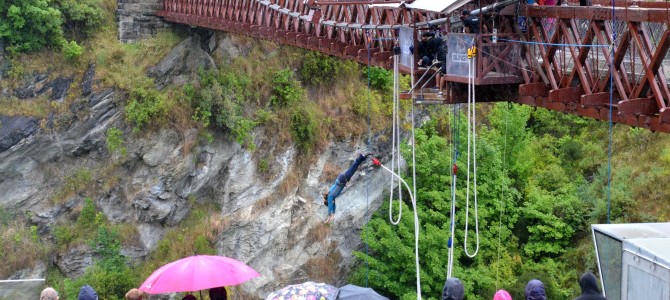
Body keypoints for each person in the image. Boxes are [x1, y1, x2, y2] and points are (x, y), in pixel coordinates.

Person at [323, 152, 379, 223]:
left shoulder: (330, 196)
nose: (333, 202)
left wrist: (329, 217)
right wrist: (333, 215)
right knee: (354, 168)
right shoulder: (332, 198)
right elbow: (333, 207)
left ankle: (361, 156)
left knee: (353, 167)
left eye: (331, 202)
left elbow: (330, 207)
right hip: (343, 180)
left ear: (329, 201)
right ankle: (363, 157)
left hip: (342, 179)